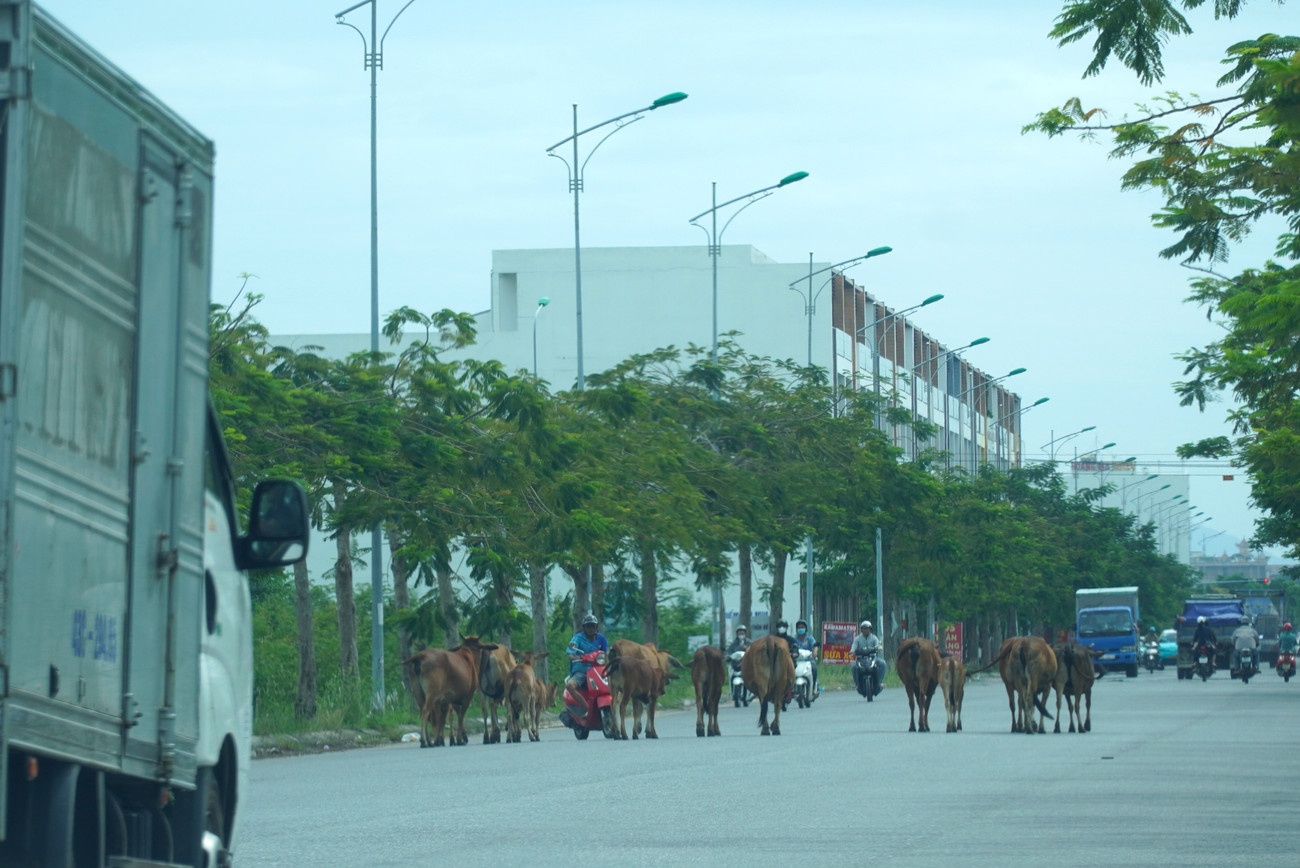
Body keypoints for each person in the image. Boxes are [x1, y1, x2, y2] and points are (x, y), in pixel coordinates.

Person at [561, 614, 608, 724]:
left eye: (593, 626)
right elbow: (570, 652)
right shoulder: (577, 638)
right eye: (588, 626)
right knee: (570, 686)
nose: (590, 628)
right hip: (582, 670)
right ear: (584, 628)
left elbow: (607, 652)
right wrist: (576, 657)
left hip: (599, 669)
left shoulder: (601, 638)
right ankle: (587, 708)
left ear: (596, 627)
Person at [850, 620, 885, 696]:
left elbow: (878, 645)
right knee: (853, 666)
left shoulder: (874, 638)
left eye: (867, 628)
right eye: (864, 628)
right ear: (861, 629)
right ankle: (856, 683)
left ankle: (879, 682)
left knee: (883, 664)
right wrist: (852, 651)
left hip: (872, 658)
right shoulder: (857, 639)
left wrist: (879, 648)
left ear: (870, 629)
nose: (866, 630)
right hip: (860, 659)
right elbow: (853, 646)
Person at [792, 619, 820, 690]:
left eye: (802, 627)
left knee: (814, 668)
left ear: (805, 629)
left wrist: (815, 652)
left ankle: (813, 686)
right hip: (797, 661)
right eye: (799, 627)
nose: (800, 629)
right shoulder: (794, 639)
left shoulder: (809, 638)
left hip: (808, 660)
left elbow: (815, 646)